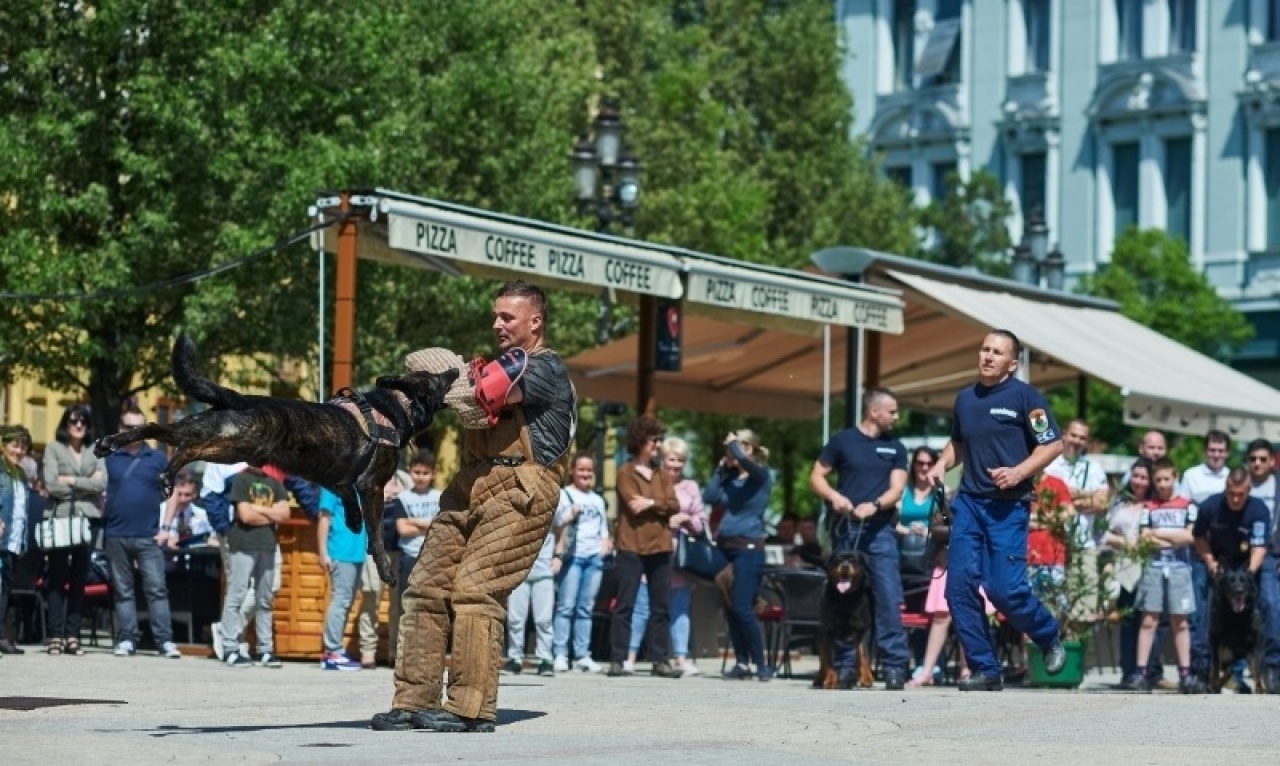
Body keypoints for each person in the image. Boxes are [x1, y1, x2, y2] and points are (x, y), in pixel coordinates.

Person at [373, 280, 577, 733]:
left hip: (522, 484)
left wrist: (451, 374)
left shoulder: (544, 367)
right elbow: (436, 377)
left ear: (535, 321)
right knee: (425, 586)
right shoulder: (501, 362)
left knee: (475, 590)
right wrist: (444, 377)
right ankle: (414, 700)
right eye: (495, 315)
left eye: (508, 316)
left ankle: (470, 707)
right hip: (471, 481)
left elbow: (481, 394)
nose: (497, 324)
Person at [925, 330, 1066, 692]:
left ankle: (1048, 634)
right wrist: (943, 463)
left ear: (1012, 363)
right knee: (958, 588)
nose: (988, 356)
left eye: (997, 352)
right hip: (970, 502)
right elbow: (958, 443)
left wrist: (1019, 471)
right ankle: (986, 669)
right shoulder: (965, 399)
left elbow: (1052, 444)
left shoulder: (1026, 398)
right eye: (985, 349)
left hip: (1008, 506)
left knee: (1004, 591)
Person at [810, 388, 909, 690]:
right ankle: (843, 668)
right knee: (840, 598)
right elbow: (816, 476)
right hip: (846, 530)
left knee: (889, 598)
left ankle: (894, 666)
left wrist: (876, 505)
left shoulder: (896, 448)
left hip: (880, 531)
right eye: (892, 411)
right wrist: (834, 496)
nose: (896, 416)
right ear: (873, 411)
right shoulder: (842, 441)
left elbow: (897, 489)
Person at [102, 408, 181, 659]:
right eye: (128, 427)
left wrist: (167, 528)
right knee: (123, 590)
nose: (132, 432)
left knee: (156, 589)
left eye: (138, 427)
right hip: (116, 533)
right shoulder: (109, 456)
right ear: (120, 428)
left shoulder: (157, 458)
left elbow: (173, 492)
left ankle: (165, 641)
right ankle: (127, 638)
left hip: (149, 535)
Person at [608, 415, 682, 679]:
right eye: (654, 439)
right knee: (625, 604)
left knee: (661, 606)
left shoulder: (662, 473)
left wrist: (651, 503)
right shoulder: (625, 472)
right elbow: (632, 504)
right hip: (631, 545)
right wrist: (658, 504)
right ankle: (617, 660)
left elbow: (674, 505)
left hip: (661, 546)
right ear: (640, 441)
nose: (658, 444)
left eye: (660, 440)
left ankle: (660, 660)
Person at [708, 428, 775, 682]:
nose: (737, 451)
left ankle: (761, 664)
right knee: (730, 608)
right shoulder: (731, 477)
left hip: (749, 548)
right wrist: (721, 470)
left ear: (754, 450)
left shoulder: (761, 475)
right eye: (736, 447)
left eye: (744, 446)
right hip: (725, 547)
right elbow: (710, 496)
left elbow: (747, 463)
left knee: (743, 607)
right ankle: (742, 663)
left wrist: (734, 445)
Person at [42, 404, 106, 657]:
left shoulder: (95, 449)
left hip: (87, 520)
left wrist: (69, 480)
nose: (78, 426)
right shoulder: (53, 448)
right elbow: (50, 484)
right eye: (72, 421)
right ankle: (55, 634)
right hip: (60, 517)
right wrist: (86, 484)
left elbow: (103, 483)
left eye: (83, 422)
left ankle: (72, 635)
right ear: (65, 425)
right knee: (57, 577)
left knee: (80, 578)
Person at [1132, 458, 1198, 694]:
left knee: (1180, 622)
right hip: (1155, 568)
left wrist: (1158, 533)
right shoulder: (1149, 507)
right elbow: (1143, 538)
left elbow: (1190, 537)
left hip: (1180, 569)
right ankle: (1141, 672)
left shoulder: (1187, 505)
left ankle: (1185, 673)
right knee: (1148, 620)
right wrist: (1173, 536)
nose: (1161, 484)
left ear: (1175, 476)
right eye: (1157, 480)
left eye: (1166, 479)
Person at [218, 464, 291, 668]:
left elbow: (285, 514)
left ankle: (265, 649)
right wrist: (270, 512)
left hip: (267, 544)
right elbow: (245, 516)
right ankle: (230, 647)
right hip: (243, 543)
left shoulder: (273, 482)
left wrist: (257, 508)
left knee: (264, 598)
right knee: (236, 595)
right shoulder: (241, 480)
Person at [1043, 419, 1110, 626]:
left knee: (1084, 607)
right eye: (1074, 435)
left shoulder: (1094, 467)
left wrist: (1070, 496)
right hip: (1053, 544)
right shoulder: (1050, 464)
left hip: (1084, 544)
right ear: (1064, 434)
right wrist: (1087, 497)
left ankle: (1075, 653)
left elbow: (1103, 503)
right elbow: (1046, 504)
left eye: (1082, 438)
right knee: (1049, 605)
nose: (1077, 441)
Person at [551, 453, 610, 674]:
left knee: (586, 608)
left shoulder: (597, 499)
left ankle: (583, 655)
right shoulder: (565, 495)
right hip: (573, 557)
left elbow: (603, 527)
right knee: (566, 607)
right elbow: (556, 523)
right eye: (581, 469)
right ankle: (560, 654)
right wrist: (569, 514)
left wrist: (605, 544)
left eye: (589, 470)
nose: (585, 473)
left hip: (594, 557)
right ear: (573, 471)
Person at [1104, 458, 1152, 689]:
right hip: (1125, 568)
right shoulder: (1120, 504)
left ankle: (1148, 671)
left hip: (1150, 567)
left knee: (1149, 621)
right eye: (1136, 476)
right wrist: (1125, 542)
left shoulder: (1154, 505)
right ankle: (1128, 671)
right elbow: (1104, 534)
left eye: (1144, 477)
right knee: (1128, 620)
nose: (1139, 481)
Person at [661, 436, 706, 677]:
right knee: (645, 607)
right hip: (655, 553)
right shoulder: (654, 482)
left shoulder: (691, 487)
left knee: (680, 609)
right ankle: (635, 656)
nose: (675, 465)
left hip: (683, 558)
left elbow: (701, 522)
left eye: (680, 460)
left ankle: (680, 657)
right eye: (671, 459)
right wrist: (667, 521)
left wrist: (686, 519)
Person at [316, 486, 366, 671]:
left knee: (346, 601)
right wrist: (322, 552)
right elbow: (324, 517)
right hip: (340, 550)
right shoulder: (332, 483)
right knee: (341, 600)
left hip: (357, 552)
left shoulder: (359, 483)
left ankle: (336, 649)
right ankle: (332, 652)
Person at [502, 528, 558, 677]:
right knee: (515, 619)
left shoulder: (552, 506)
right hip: (518, 571)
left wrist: (559, 555)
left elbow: (561, 529)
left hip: (544, 571)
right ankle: (515, 659)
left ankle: (545, 659)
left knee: (544, 620)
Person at [393, 451, 441, 606]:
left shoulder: (439, 496)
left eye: (425, 473)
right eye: (417, 472)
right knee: (407, 603)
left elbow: (441, 526)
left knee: (431, 602)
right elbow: (402, 530)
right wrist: (429, 525)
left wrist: (413, 521)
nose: (421, 477)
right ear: (409, 471)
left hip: (434, 555)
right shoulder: (402, 498)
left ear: (433, 474)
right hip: (409, 556)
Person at [0, 425, 31, 655]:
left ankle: (4, 637)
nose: (19, 450)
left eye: (23, 446)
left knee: (5, 589)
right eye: (14, 445)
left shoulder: (20, 474)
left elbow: (22, 510)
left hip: (12, 540)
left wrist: (22, 541)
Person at [161, 474, 215, 548]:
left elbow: (212, 536)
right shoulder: (159, 512)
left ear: (194, 495)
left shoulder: (202, 514)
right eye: (179, 494)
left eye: (187, 495)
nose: (182, 499)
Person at [1179, 430, 1231, 504]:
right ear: (1205, 451)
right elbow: (1182, 505)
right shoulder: (1190, 475)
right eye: (1212, 450)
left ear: (1228, 453)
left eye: (1221, 451)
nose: (1216, 455)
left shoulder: (1232, 477)